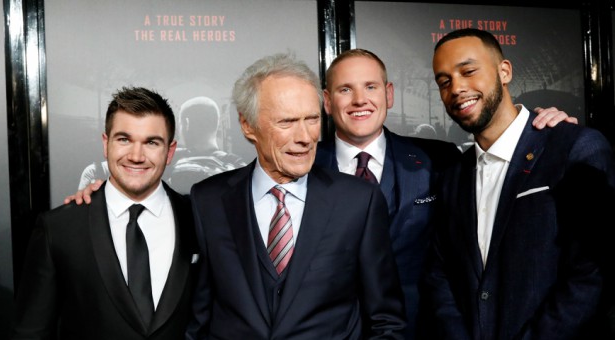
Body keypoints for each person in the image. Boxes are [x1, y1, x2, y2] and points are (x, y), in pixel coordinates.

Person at [314, 48, 576, 339]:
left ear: (389, 94)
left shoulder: (439, 160)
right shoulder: (303, 169)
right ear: (327, 101)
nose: (360, 99)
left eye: (371, 87)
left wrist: (543, 130)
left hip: (424, 331)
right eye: (345, 89)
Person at [184, 52, 406, 339]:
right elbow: (199, 319)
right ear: (247, 125)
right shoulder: (208, 200)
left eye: (312, 119)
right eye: (287, 122)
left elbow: (386, 321)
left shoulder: (359, 201)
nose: (304, 136)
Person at [420, 28, 615, 339]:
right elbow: (440, 272)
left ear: (504, 71)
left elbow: (591, 275)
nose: (456, 88)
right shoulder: (453, 176)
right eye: (444, 81)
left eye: (468, 71)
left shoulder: (575, 148)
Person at [11, 87, 199, 339]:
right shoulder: (59, 228)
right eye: (124, 139)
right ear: (105, 143)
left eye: (151, 142)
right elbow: (31, 332)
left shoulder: (200, 219)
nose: (136, 156)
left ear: (170, 151)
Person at [168, 96, 246, 194]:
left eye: (180, 124)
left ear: (186, 123)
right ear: (216, 125)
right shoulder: (238, 165)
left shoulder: (175, 163)